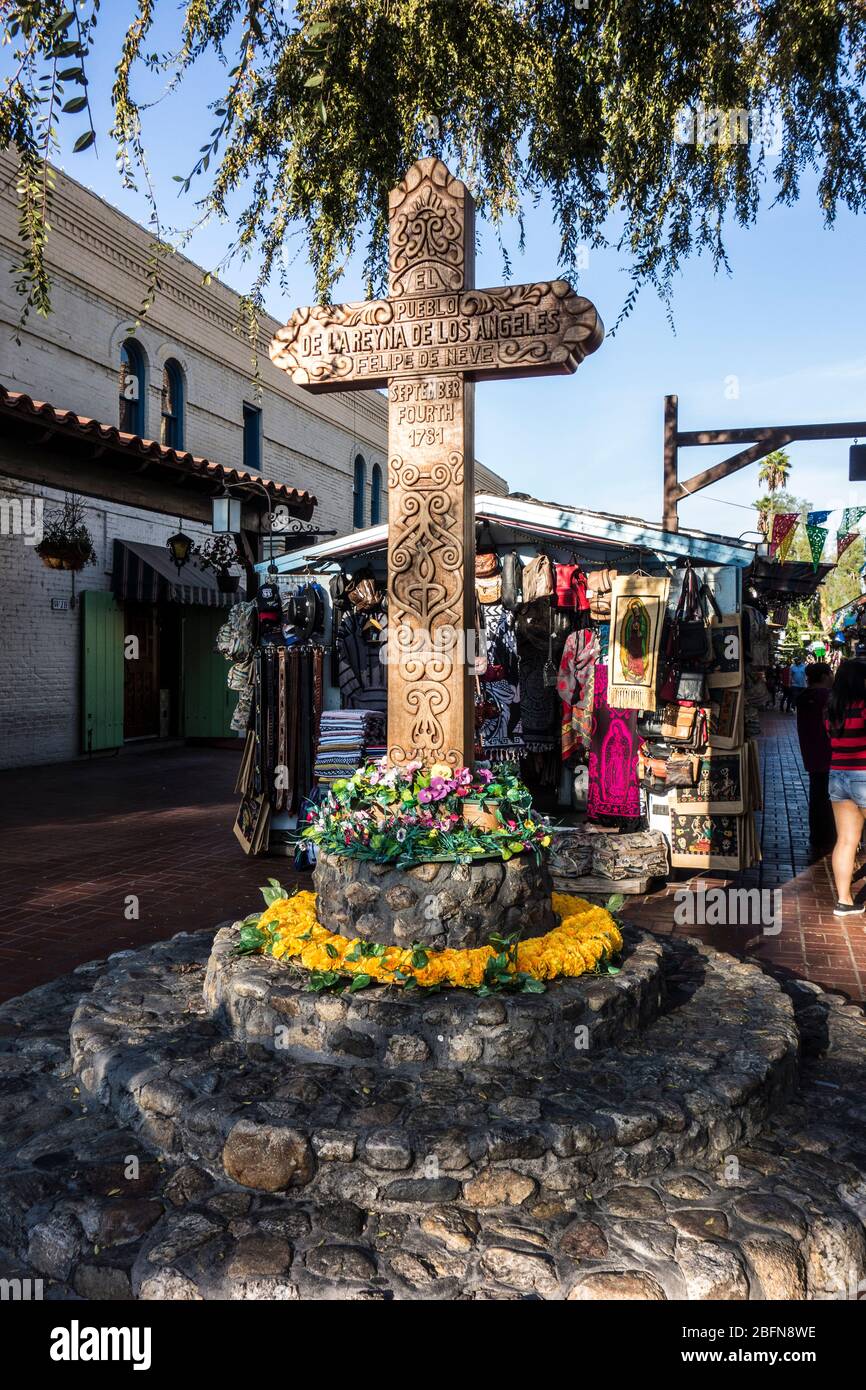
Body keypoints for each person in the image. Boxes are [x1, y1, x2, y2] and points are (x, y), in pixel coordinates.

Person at [826, 659, 866, 915]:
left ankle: (844, 901)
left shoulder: (832, 708)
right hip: (863, 772)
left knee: (846, 840)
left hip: (838, 775)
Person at [796, 662, 835, 852]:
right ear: (825, 676)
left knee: (817, 795)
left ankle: (818, 835)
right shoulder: (827, 697)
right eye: (831, 673)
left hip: (811, 754)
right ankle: (829, 835)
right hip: (830, 754)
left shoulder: (804, 697)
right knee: (829, 797)